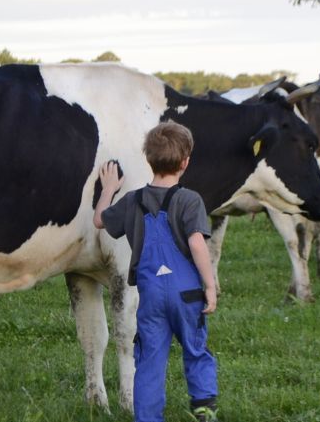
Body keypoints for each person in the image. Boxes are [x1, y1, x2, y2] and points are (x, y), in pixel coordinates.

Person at [93, 121, 219, 422]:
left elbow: (99, 221)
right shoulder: (190, 200)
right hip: (187, 293)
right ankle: (203, 407)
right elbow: (197, 244)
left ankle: (148, 418)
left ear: (148, 160)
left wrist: (109, 189)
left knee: (149, 358)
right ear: (185, 162)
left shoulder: (132, 200)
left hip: (150, 295)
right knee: (195, 347)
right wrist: (210, 285)